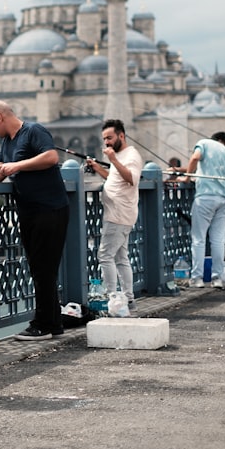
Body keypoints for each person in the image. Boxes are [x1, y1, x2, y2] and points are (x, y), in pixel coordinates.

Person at [0, 101, 69, 340]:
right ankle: (53, 323)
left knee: (43, 268)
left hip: (50, 209)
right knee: (39, 267)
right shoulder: (7, 143)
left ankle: (42, 325)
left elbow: (52, 157)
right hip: (29, 212)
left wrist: (17, 165)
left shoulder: (33, 131)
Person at [85, 119, 143, 311]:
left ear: (121, 135)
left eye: (110, 138)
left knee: (105, 256)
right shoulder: (121, 155)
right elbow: (114, 178)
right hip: (118, 214)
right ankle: (129, 299)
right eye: (104, 139)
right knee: (120, 258)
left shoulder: (131, 155)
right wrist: (97, 168)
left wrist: (113, 160)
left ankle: (111, 299)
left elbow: (132, 179)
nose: (107, 142)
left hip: (119, 214)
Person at [184, 132, 225, 289]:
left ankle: (197, 278)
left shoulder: (204, 143)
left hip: (206, 196)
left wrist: (187, 178)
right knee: (218, 239)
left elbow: (195, 158)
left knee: (199, 238)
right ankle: (217, 278)